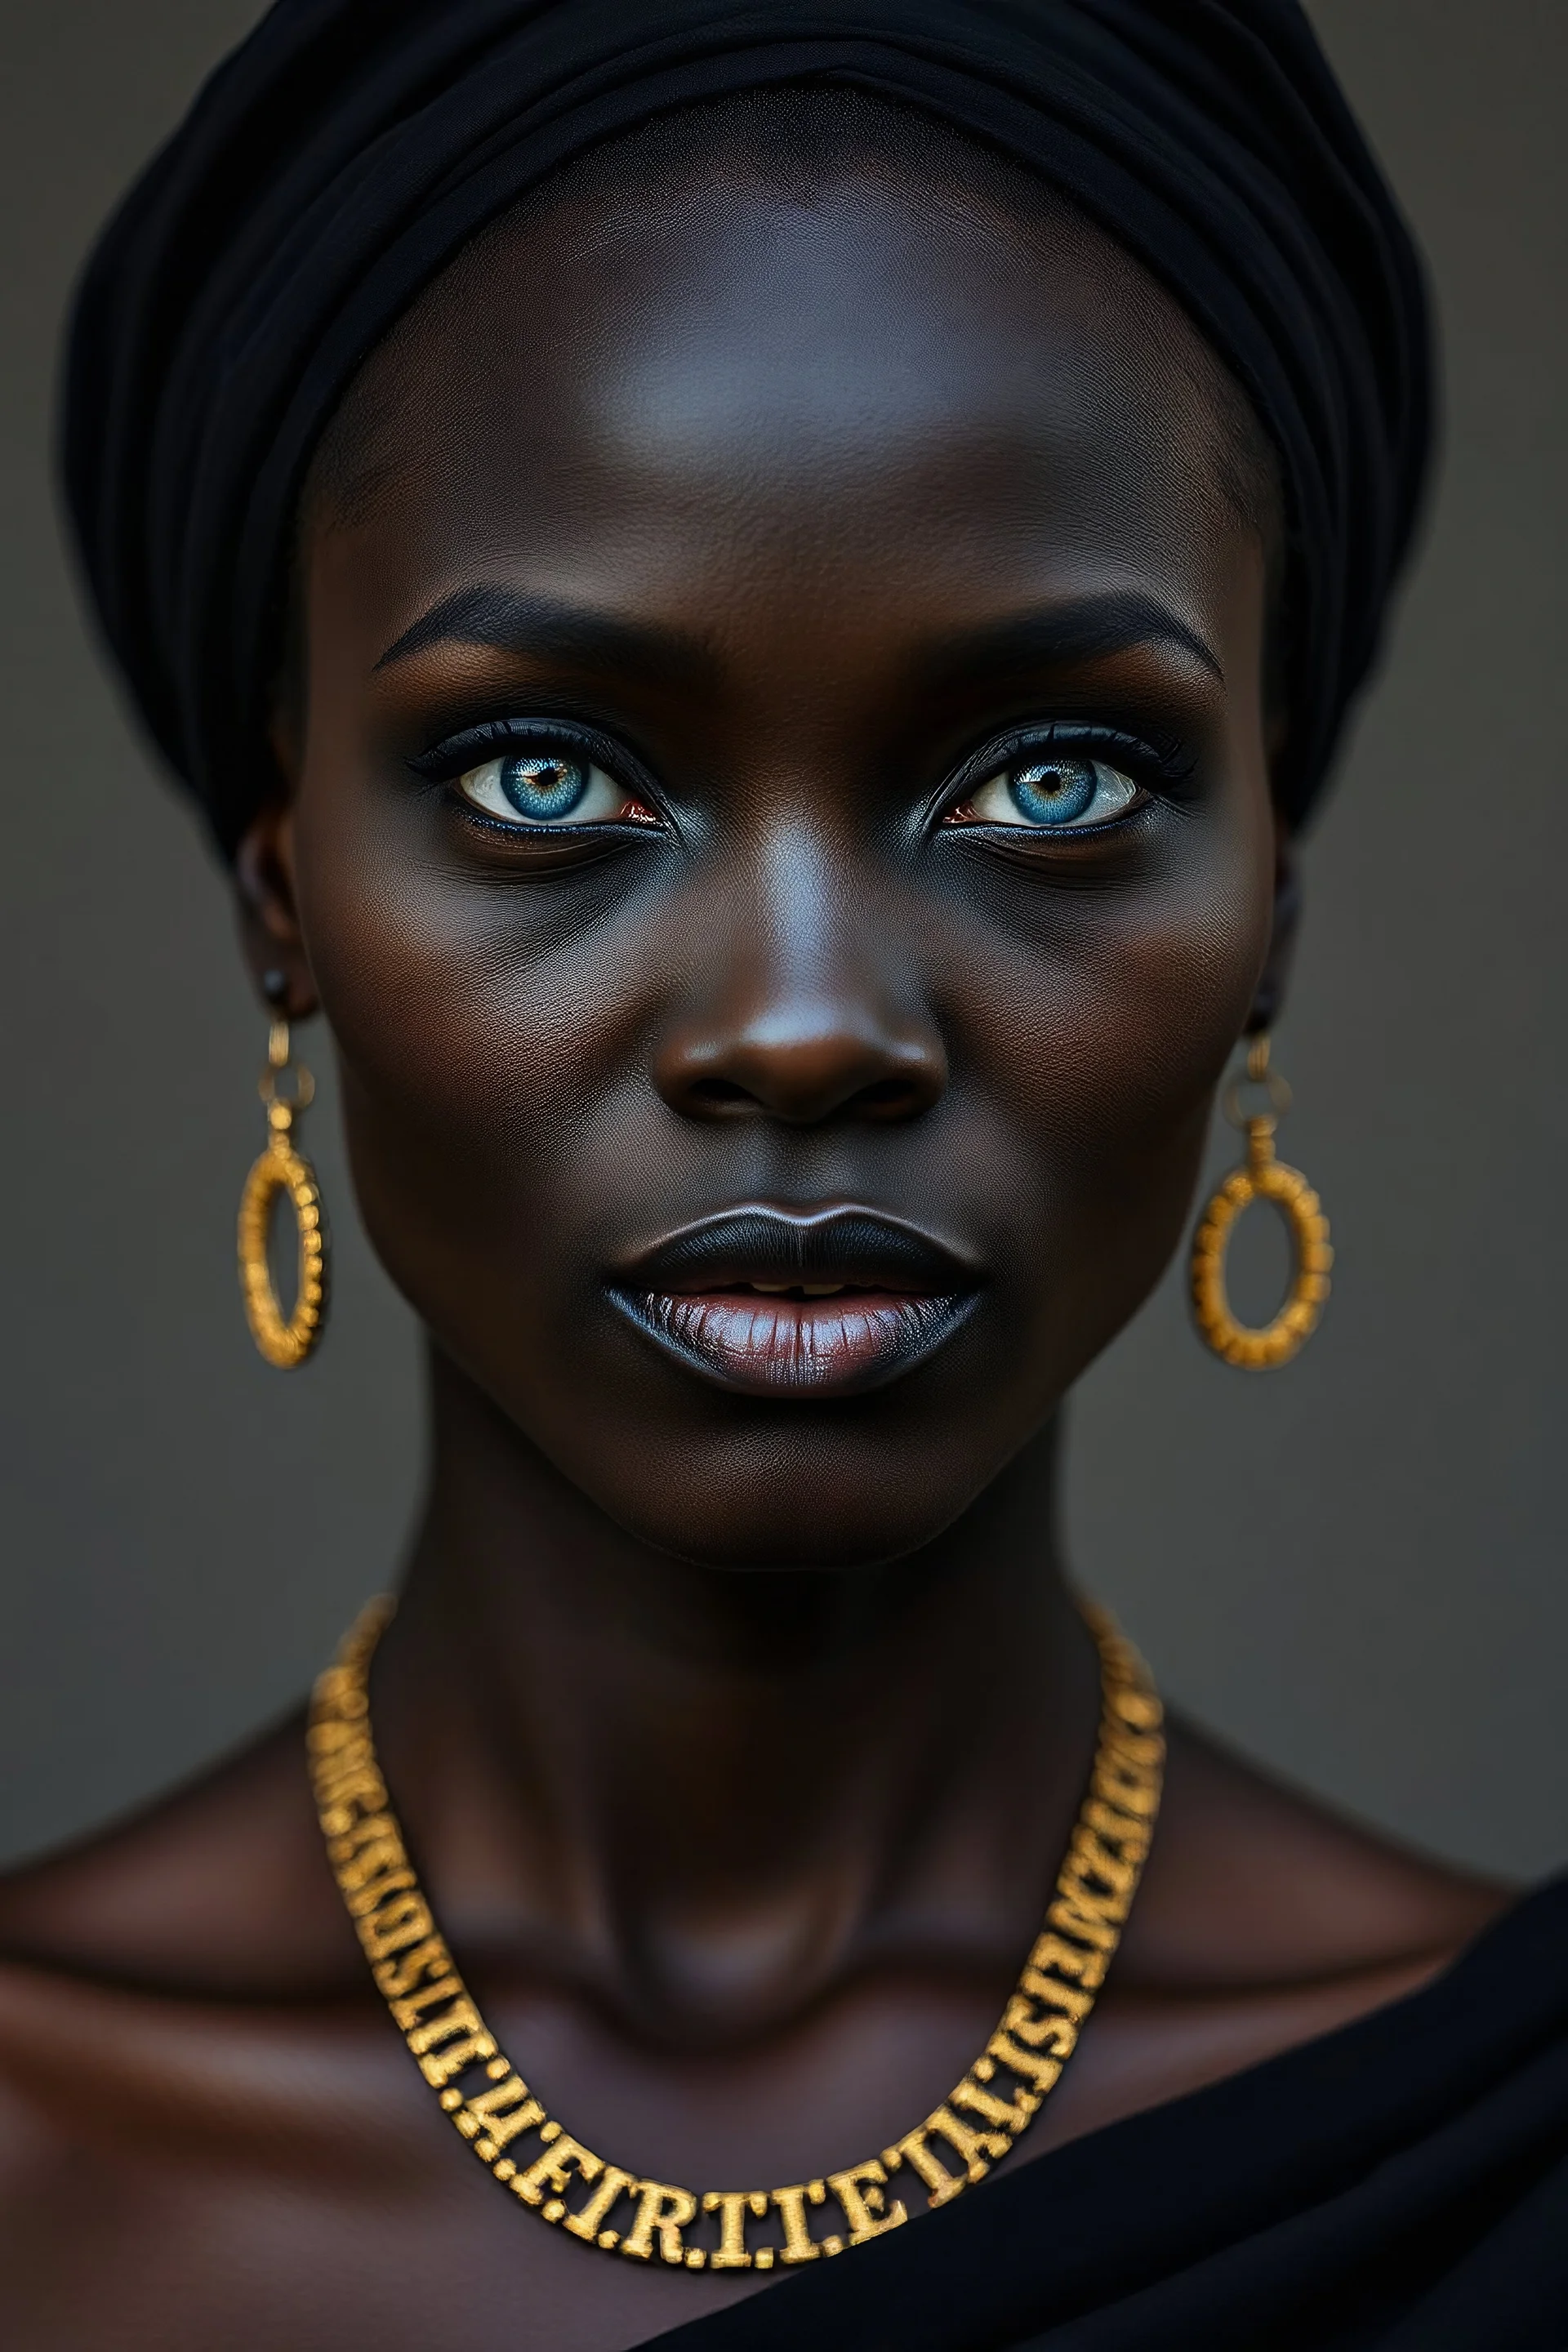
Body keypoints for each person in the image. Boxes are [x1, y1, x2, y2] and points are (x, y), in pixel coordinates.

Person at [3, 4, 1564, 2345]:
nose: (808, 1026)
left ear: (1270, 921)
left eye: (1052, 782)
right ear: (286, 897)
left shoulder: (1499, 2146)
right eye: (547, 781)